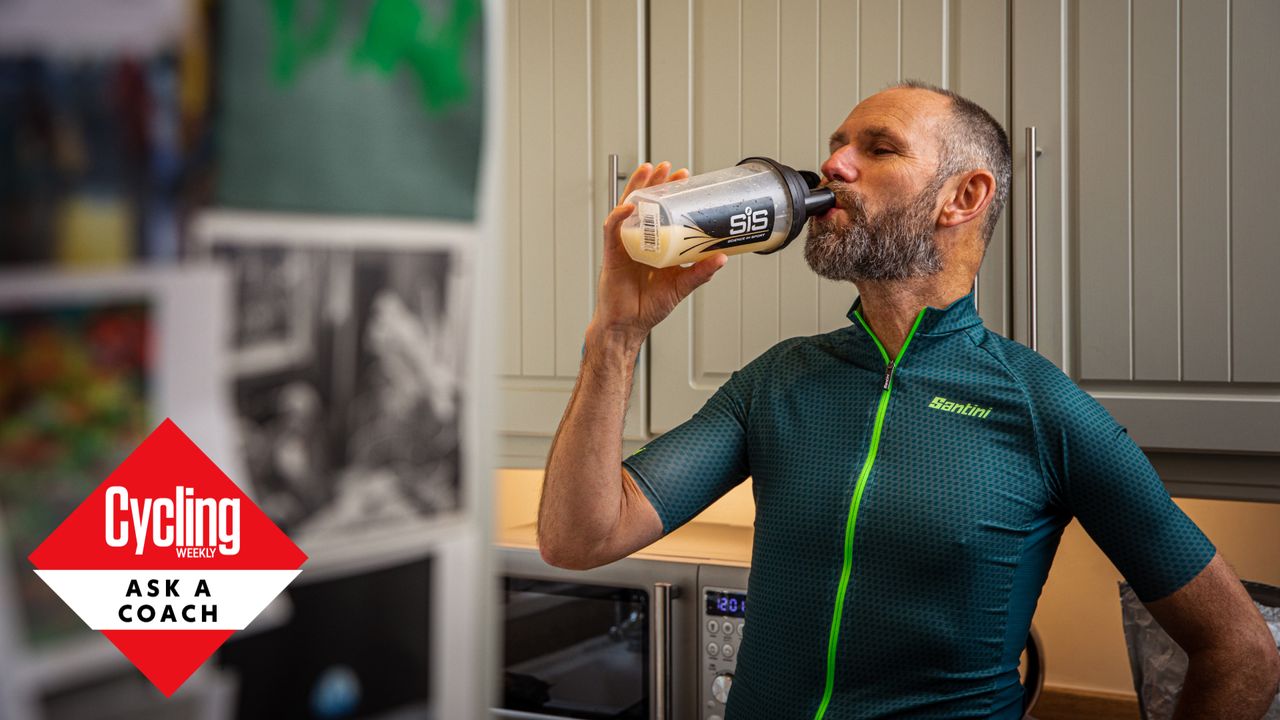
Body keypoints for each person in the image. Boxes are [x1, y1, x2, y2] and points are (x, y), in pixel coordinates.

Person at [538, 81, 1280, 719]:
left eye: (878, 147)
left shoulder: (1043, 409)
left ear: (964, 196)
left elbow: (1241, 648)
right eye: (836, 144)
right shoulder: (778, 382)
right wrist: (618, 333)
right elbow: (581, 537)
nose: (832, 164)